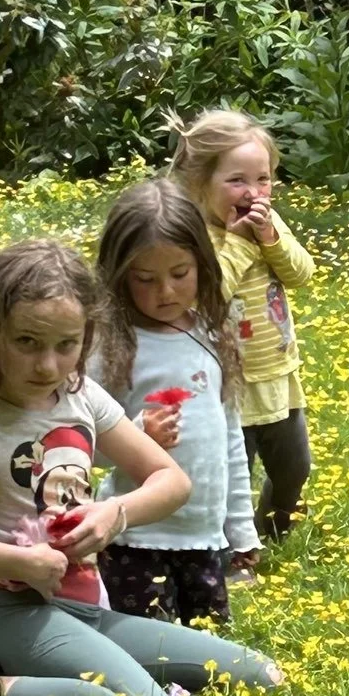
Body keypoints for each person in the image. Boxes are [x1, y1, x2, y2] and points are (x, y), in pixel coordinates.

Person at [0, 238, 282, 696]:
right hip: (3, 612)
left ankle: (3, 681)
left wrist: (114, 514)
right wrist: (17, 562)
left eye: (66, 345)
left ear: (87, 337)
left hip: (86, 607)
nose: (48, 365)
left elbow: (171, 481)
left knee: (259, 674)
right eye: (26, 342)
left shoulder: (81, 397)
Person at [91, 179, 260, 626]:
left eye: (180, 274)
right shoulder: (112, 344)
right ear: (118, 274)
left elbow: (230, 440)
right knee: (148, 651)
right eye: (145, 279)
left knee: (206, 654)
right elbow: (75, 442)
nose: (165, 291)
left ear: (203, 264)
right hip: (135, 537)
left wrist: (241, 530)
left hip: (203, 538)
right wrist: (135, 435)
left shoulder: (210, 332)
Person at [170, 110, 315, 579]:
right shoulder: (196, 238)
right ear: (200, 183)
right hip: (226, 382)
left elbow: (301, 274)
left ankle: (275, 523)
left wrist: (270, 238)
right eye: (236, 180)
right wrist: (241, 245)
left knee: (294, 464)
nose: (253, 192)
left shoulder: (269, 226)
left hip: (276, 371)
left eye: (263, 178)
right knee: (234, 475)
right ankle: (233, 553)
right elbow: (208, 295)